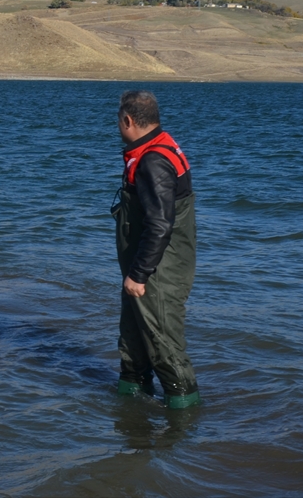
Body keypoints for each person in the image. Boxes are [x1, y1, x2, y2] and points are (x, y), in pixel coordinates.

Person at [111, 89, 201, 409]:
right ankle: (129, 411)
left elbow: (161, 225)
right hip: (145, 268)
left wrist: (138, 274)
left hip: (156, 272)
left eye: (118, 121)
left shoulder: (152, 161)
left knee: (165, 348)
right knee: (133, 344)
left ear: (128, 120)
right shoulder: (158, 145)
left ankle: (185, 418)